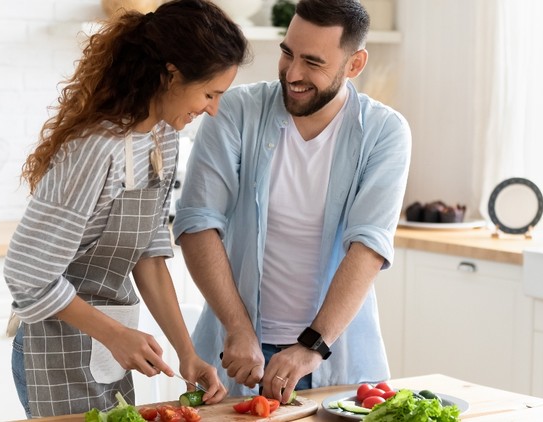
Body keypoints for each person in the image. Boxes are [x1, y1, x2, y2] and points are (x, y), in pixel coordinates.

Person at [3, 0, 249, 417]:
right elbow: (26, 274)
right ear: (171, 74)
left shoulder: (162, 140)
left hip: (108, 353)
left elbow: (148, 255)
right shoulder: (95, 150)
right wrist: (115, 335)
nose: (212, 109)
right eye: (209, 93)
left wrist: (187, 353)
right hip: (55, 351)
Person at [173, 0, 411, 402]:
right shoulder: (234, 111)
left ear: (354, 64)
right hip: (235, 354)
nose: (293, 73)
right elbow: (198, 223)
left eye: (313, 62)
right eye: (288, 53)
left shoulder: (385, 132)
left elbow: (368, 247)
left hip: (332, 357)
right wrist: (238, 328)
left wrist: (312, 345)